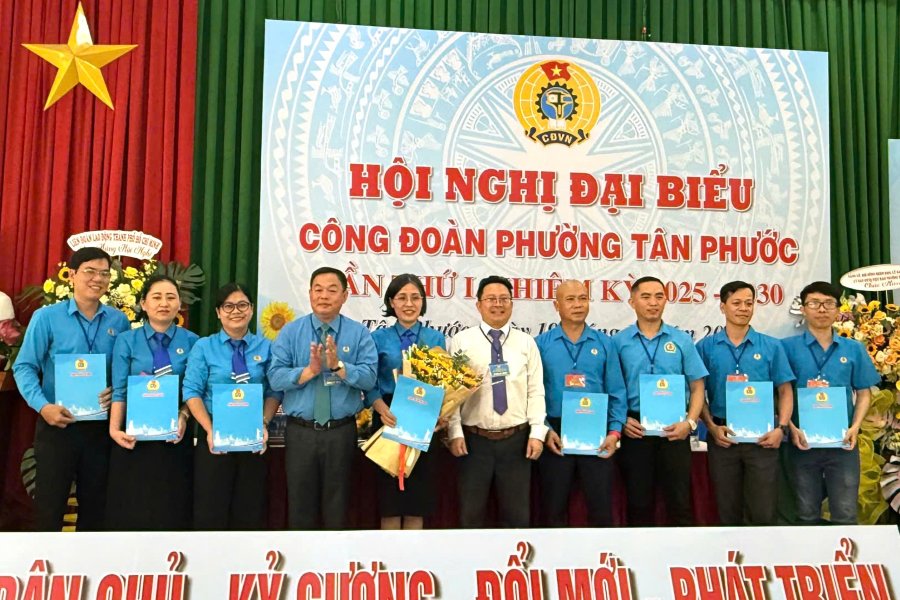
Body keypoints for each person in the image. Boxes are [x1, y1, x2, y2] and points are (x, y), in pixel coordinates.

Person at [14, 247, 130, 531]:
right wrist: (44, 407)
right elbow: (24, 366)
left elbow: (123, 370)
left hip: (101, 429)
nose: (97, 279)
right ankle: (45, 571)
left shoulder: (119, 321)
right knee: (49, 507)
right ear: (72, 275)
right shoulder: (47, 318)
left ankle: (90, 573)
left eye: (104, 273)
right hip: (58, 425)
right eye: (90, 271)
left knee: (96, 508)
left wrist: (116, 390)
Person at [268, 267, 377, 530]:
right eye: (318, 289)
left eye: (332, 290)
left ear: (345, 296)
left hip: (340, 432)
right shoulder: (291, 332)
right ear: (309, 294)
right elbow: (275, 377)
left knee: (338, 507)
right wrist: (308, 372)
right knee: (300, 506)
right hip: (300, 432)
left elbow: (370, 378)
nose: (324, 296)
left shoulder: (358, 333)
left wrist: (339, 366)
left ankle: (335, 567)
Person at [447, 275, 546, 528]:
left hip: (517, 442)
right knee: (471, 516)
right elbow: (452, 393)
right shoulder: (462, 342)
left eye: (504, 299)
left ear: (512, 304)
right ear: (478, 305)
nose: (497, 304)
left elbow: (535, 391)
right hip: (473, 441)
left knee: (517, 517)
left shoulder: (526, 343)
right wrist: (455, 432)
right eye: (490, 299)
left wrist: (537, 433)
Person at [695, 281, 795, 525]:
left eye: (749, 303)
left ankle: (761, 562)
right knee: (726, 510)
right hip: (723, 438)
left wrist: (780, 429)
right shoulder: (706, 347)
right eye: (736, 303)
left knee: (763, 512)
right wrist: (711, 427)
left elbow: (785, 391)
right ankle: (730, 560)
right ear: (722, 307)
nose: (743, 308)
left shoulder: (772, 346)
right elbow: (697, 393)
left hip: (763, 440)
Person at [781, 281, 880, 524]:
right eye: (814, 303)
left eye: (828, 304)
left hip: (843, 443)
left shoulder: (854, 348)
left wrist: (856, 426)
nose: (822, 309)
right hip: (801, 443)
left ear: (837, 310)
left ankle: (843, 561)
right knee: (806, 513)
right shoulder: (786, 348)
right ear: (803, 309)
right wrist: (790, 428)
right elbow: (779, 393)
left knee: (846, 513)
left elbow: (864, 392)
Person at [183, 283, 280, 530]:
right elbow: (192, 391)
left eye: (242, 305)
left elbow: (273, 390)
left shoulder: (266, 347)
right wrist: (209, 429)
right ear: (218, 312)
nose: (235, 311)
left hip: (253, 441)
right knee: (210, 513)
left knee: (249, 513)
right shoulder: (204, 347)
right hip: (214, 441)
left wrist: (264, 423)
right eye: (228, 306)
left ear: (251, 309)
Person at [612, 276, 707, 526]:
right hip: (635, 431)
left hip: (675, 431)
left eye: (659, 296)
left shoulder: (681, 340)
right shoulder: (619, 342)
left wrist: (690, 424)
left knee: (679, 502)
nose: (653, 303)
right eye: (646, 297)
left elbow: (698, 387)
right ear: (632, 302)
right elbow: (612, 389)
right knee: (638, 503)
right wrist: (621, 421)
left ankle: (681, 562)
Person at [106, 274, 198, 530]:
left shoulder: (193, 342)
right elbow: (120, 389)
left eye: (171, 297)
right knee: (133, 508)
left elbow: (195, 389)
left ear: (179, 304)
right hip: (134, 437)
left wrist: (183, 416)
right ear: (143, 304)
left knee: (172, 507)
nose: (164, 303)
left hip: (175, 436)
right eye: (156, 297)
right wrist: (115, 429)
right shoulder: (127, 340)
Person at [535, 280, 626, 527]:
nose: (578, 305)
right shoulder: (540, 344)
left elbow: (617, 392)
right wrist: (545, 430)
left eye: (582, 298)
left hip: (597, 434)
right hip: (555, 435)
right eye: (570, 299)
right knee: (553, 509)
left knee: (601, 509)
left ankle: (602, 562)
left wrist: (615, 432)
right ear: (556, 305)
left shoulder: (605, 343)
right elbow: (533, 394)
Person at [367, 274, 446, 530]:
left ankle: (413, 562)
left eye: (415, 297)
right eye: (402, 297)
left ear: (422, 302)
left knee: (417, 498)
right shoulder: (378, 339)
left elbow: (443, 384)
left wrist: (441, 413)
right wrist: (381, 408)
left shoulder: (436, 339)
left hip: (423, 417)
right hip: (387, 416)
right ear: (392, 302)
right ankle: (391, 563)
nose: (408, 303)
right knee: (389, 498)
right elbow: (370, 383)